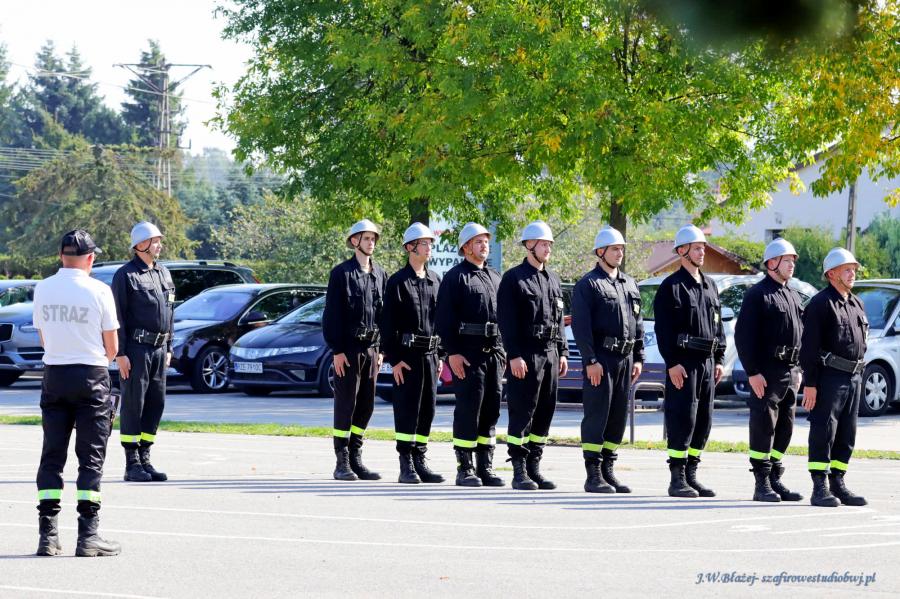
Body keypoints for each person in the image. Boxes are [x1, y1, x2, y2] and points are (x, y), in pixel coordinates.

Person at [33, 229, 121, 556]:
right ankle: (88, 537)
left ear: (60, 256)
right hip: (91, 376)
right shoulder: (99, 290)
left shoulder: (43, 288)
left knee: (52, 456)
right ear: (90, 258)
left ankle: (47, 536)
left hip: (54, 375)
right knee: (91, 459)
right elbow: (112, 347)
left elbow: (44, 337)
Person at [653, 225, 725, 498]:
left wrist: (719, 358)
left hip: (707, 363)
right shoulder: (671, 287)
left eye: (703, 248)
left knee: (703, 420)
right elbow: (663, 330)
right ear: (682, 251)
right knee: (683, 416)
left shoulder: (710, 286)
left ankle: (692, 475)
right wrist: (672, 362)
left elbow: (717, 326)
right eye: (696, 248)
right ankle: (677, 478)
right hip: (683, 363)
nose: (702, 252)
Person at [571, 226, 644, 494]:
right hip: (600, 359)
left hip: (625, 359)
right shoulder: (588, 284)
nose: (620, 253)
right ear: (600, 252)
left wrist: (639, 357)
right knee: (597, 415)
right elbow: (581, 326)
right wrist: (590, 360)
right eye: (614, 249)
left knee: (617, 416)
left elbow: (638, 324)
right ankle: (593, 474)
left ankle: (608, 470)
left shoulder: (629, 283)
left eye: (621, 249)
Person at [498, 221, 568, 490]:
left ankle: (534, 467)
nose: (548, 248)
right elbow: (507, 322)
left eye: (550, 244)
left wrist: (562, 352)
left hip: (550, 353)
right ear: (529, 245)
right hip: (526, 355)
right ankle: (519, 470)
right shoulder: (513, 278)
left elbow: (559, 320)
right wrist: (513, 355)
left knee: (545, 411)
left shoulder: (553, 279)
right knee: (522, 411)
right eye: (543, 244)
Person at [435, 222, 506, 487]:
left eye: (486, 241)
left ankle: (485, 466)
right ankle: (465, 468)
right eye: (478, 242)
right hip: (467, 355)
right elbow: (444, 320)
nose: (484, 246)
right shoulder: (455, 278)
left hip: (494, 355)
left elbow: (505, 318)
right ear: (466, 248)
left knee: (491, 410)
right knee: (468, 410)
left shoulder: (496, 277)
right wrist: (452, 353)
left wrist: (504, 352)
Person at [734, 238, 805, 503]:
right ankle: (761, 482)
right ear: (772, 263)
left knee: (785, 427)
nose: (792, 265)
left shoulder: (793, 295)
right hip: (766, 370)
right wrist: (752, 372)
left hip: (790, 371)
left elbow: (802, 334)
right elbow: (743, 336)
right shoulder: (758, 295)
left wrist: (799, 369)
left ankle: (775, 476)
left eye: (793, 261)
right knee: (763, 426)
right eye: (787, 260)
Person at [799, 247, 868, 507]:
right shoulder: (820, 304)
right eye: (846, 270)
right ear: (831, 274)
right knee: (824, 429)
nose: (852, 274)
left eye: (853, 269)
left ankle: (838, 482)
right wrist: (811, 384)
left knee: (847, 432)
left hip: (853, 377)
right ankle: (820, 486)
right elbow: (809, 348)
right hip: (829, 377)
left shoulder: (856, 303)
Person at [323, 219, 387, 481]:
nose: (371, 243)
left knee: (366, 405)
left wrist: (382, 350)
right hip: (348, 350)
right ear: (354, 241)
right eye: (366, 238)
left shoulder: (380, 273)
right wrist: (337, 350)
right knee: (345, 404)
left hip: (372, 350)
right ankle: (342, 461)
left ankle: (356, 458)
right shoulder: (341, 273)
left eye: (373, 239)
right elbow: (332, 315)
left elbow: (384, 316)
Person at [381, 222, 445, 484]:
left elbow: (441, 321)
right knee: (407, 410)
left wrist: (441, 355)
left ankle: (420, 459)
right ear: (410, 247)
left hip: (430, 357)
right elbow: (387, 325)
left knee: (427, 410)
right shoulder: (398, 282)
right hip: (407, 358)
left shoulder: (435, 280)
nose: (429, 247)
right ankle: (405, 464)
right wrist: (395, 360)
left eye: (430, 243)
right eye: (424, 243)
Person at [111, 222, 175, 483]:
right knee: (133, 404)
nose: (159, 245)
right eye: (154, 241)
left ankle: (145, 458)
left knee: (155, 403)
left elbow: (170, 312)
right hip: (136, 350)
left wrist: (169, 347)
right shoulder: (125, 275)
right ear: (140, 245)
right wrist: (120, 353)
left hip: (160, 349)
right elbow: (117, 317)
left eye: (159, 240)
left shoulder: (163, 272)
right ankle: (132, 463)